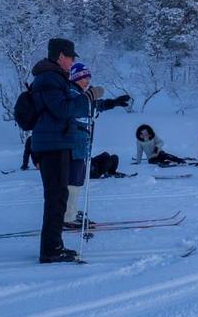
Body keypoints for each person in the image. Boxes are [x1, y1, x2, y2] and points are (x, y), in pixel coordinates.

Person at [29, 38, 102, 264]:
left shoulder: (50, 77)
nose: (72, 62)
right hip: (53, 145)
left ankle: (53, 246)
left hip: (54, 143)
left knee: (58, 197)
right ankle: (51, 250)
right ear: (61, 56)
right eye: (71, 57)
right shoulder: (50, 79)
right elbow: (62, 110)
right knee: (56, 197)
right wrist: (88, 98)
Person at [63, 62, 130, 227]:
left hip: (79, 147)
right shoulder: (71, 92)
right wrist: (90, 96)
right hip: (72, 147)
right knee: (72, 181)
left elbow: (95, 105)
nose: (87, 81)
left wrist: (113, 103)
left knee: (77, 180)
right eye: (84, 78)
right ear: (76, 78)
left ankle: (70, 211)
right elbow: (78, 107)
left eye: (89, 78)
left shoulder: (79, 94)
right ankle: (67, 217)